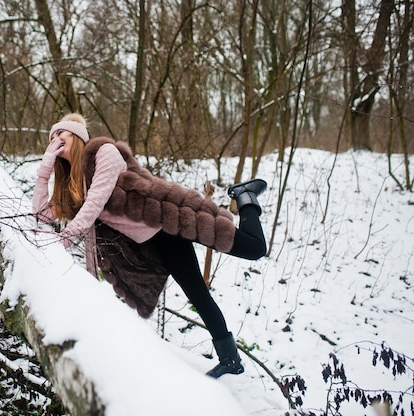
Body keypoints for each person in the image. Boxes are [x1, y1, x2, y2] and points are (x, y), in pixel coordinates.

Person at [32, 113, 268, 378]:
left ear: (75, 135)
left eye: (60, 134)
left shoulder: (104, 153)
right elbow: (42, 216)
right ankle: (231, 359)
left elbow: (95, 202)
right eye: (51, 138)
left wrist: (65, 238)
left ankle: (246, 196)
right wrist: (44, 171)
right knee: (197, 294)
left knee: (255, 248)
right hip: (158, 242)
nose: (55, 140)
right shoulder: (73, 185)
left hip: (173, 215)